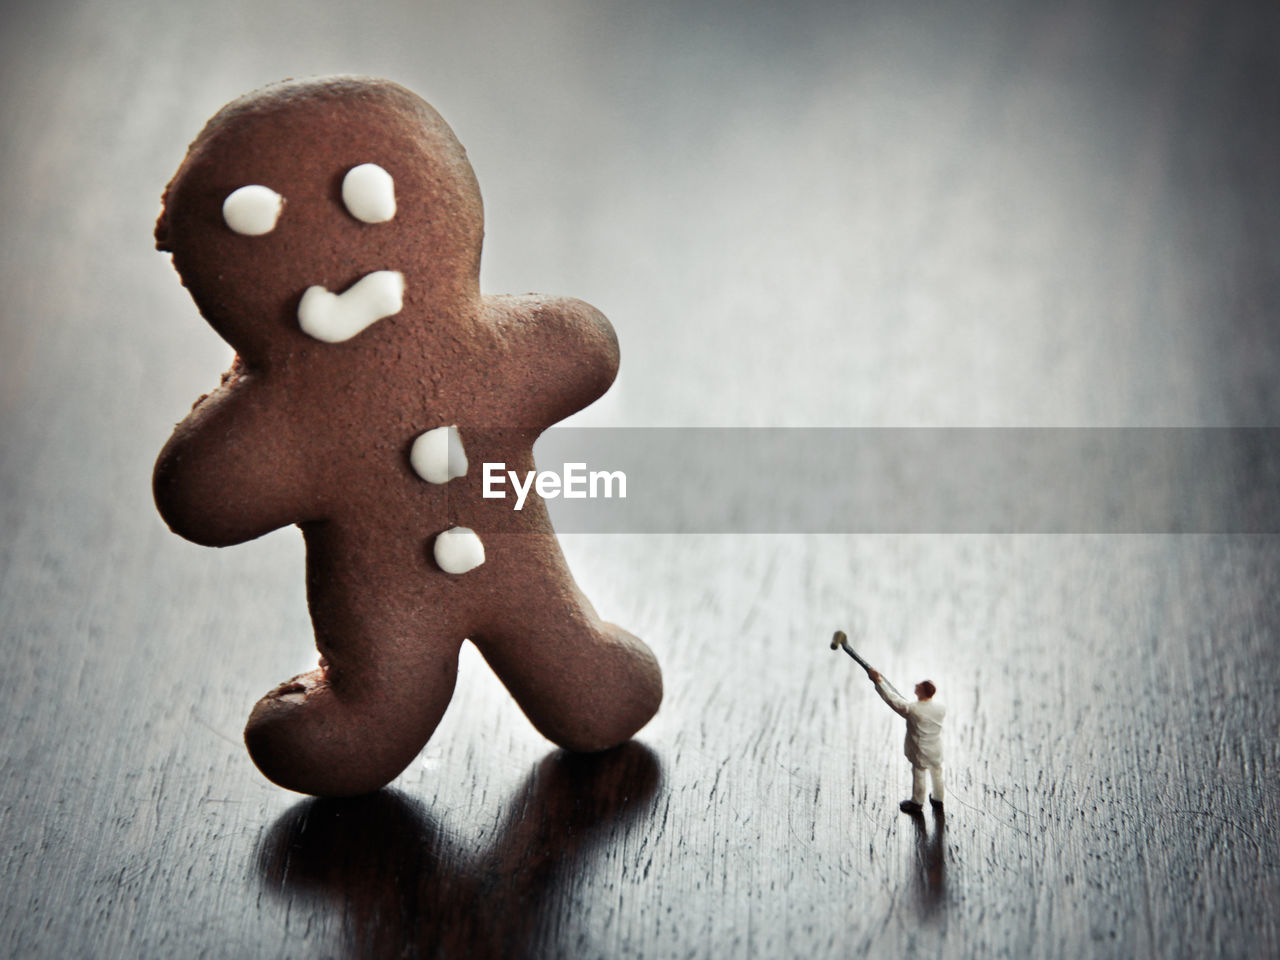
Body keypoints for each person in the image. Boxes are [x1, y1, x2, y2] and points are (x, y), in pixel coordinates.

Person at [867, 669, 945, 814]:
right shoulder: (941, 708)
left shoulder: (912, 709)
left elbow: (892, 700)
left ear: (922, 692)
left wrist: (878, 681)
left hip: (921, 750)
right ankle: (938, 799)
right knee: (937, 773)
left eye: (919, 687)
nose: (916, 686)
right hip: (936, 749)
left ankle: (917, 802)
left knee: (919, 774)